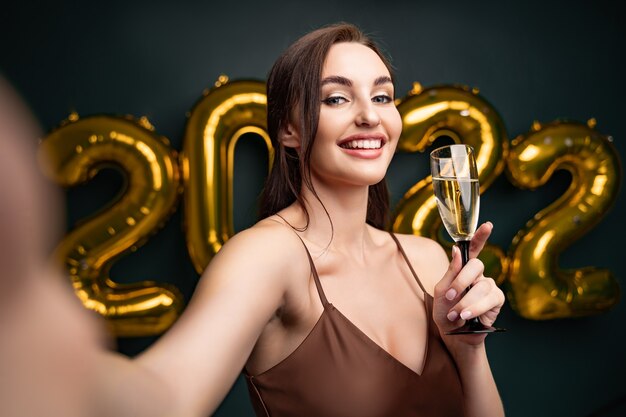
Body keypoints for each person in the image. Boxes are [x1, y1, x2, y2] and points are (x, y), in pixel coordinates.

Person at [133, 22, 506, 417]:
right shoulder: (267, 254)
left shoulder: (428, 259)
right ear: (288, 129)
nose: (369, 117)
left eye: (382, 97)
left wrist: (469, 350)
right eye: (336, 99)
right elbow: (164, 394)